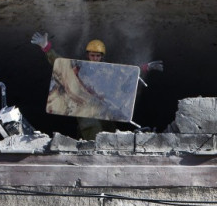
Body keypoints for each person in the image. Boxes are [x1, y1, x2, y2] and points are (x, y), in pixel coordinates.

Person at [30, 32, 163, 138]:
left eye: (98, 56)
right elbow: (61, 65)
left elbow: (125, 75)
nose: (95, 58)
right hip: (85, 107)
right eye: (92, 55)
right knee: (92, 129)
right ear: (88, 55)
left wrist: (145, 68)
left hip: (104, 108)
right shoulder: (80, 69)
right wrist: (46, 47)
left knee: (108, 133)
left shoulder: (107, 71)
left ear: (102, 57)